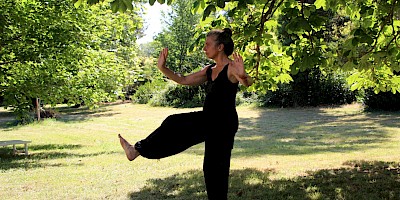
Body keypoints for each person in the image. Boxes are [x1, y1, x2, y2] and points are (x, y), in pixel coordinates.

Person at [119, 28, 253, 200]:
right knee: (173, 123)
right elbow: (182, 80)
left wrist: (243, 76)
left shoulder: (232, 67)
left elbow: (247, 82)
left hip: (223, 124)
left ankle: (136, 150)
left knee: (215, 169)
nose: (204, 48)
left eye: (207, 44)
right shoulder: (209, 70)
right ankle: (137, 150)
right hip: (208, 120)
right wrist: (162, 67)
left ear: (220, 47)